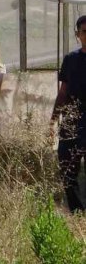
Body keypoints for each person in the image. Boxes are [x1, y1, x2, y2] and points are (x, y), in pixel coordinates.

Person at [50, 14, 86, 213]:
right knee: (67, 166)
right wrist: (53, 120)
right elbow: (63, 91)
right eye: (84, 32)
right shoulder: (71, 60)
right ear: (77, 34)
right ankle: (77, 212)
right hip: (72, 119)